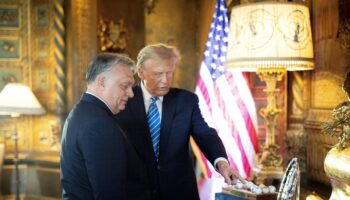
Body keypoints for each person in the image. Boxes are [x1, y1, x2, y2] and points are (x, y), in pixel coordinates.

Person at [117, 44, 245, 200]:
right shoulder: (122, 101)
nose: (165, 80)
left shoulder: (186, 101)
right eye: (158, 74)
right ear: (141, 73)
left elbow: (205, 134)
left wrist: (222, 163)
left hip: (180, 192)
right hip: (135, 193)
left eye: (169, 73)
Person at [61, 53, 151, 200]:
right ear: (102, 82)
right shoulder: (99, 124)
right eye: (125, 85)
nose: (131, 94)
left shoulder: (83, 111)